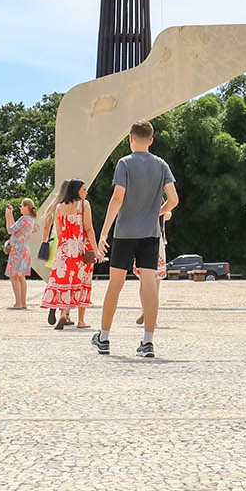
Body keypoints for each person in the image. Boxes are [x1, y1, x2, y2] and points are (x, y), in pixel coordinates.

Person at [93, 121, 177, 358]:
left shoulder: (124, 163)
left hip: (125, 233)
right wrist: (157, 212)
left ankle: (104, 338)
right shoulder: (161, 165)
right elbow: (174, 200)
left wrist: (103, 233)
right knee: (149, 284)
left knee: (115, 284)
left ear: (130, 139)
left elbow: (117, 198)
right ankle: (148, 342)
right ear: (151, 140)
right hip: (151, 234)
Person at [37, 181, 93, 329]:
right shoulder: (83, 204)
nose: (86, 192)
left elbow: (58, 230)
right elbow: (88, 228)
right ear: (76, 190)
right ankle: (78, 319)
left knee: (64, 281)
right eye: (83, 189)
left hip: (63, 247)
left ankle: (62, 313)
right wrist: (95, 249)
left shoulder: (58, 206)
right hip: (79, 246)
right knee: (80, 281)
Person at [4, 200, 39, 310]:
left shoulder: (24, 219)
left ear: (26, 207)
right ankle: (22, 303)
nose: (20, 208)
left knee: (14, 276)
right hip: (25, 249)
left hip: (17, 250)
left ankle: (18, 303)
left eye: (21, 206)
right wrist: (11, 215)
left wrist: (8, 216)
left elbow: (10, 230)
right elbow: (15, 228)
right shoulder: (31, 219)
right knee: (21, 276)